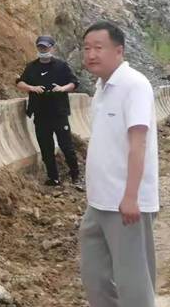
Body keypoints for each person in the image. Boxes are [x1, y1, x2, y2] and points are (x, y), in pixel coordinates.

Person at [80, 21, 159, 307]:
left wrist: (131, 197)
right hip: (98, 202)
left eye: (98, 48)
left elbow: (139, 143)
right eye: (87, 48)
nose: (91, 54)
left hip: (125, 204)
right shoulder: (101, 88)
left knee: (133, 283)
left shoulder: (134, 85)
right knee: (95, 278)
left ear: (119, 50)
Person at [16, 35, 80, 186]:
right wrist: (32, 88)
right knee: (46, 148)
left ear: (52, 48)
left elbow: (74, 83)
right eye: (40, 47)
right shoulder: (32, 67)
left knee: (66, 146)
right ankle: (53, 178)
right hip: (40, 114)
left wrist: (62, 89)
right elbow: (19, 82)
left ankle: (75, 174)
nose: (43, 50)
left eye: (45, 47)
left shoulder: (61, 66)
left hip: (59, 113)